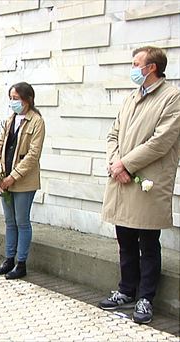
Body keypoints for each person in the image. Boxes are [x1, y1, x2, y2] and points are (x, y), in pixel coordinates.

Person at [99, 46, 180, 324]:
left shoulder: (172, 97)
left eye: (137, 64)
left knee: (148, 242)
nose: (133, 69)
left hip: (147, 181)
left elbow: (161, 141)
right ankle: (126, 290)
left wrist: (126, 164)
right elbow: (113, 134)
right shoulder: (130, 98)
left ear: (152, 67)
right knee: (125, 240)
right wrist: (115, 163)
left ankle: (146, 297)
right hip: (122, 179)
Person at [0, 82, 46, 280]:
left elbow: (33, 155)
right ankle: (9, 259)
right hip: (5, 179)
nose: (13, 102)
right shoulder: (10, 120)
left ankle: (21, 263)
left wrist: (13, 176)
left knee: (22, 221)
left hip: (23, 181)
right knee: (9, 221)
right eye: (11, 98)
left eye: (16, 98)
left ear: (27, 99)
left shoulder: (36, 121)